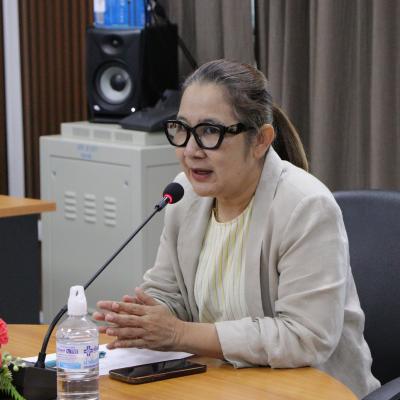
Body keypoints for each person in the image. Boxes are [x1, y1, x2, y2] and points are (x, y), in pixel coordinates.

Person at [94, 59, 380, 398]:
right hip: (223, 385)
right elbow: (170, 293)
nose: (190, 150)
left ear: (260, 140)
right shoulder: (184, 194)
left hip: (311, 390)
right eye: (181, 129)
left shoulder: (305, 206)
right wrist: (142, 319)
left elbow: (305, 338)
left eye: (209, 132)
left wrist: (177, 333)